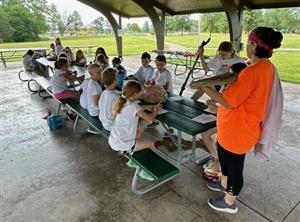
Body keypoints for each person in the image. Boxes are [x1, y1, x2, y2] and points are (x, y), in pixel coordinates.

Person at [198, 27, 283, 214]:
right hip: (234, 129)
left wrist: (203, 86)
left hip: (239, 132)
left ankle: (229, 202)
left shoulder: (252, 72)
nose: (246, 45)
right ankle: (224, 185)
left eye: (248, 41)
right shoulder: (263, 67)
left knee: (235, 169)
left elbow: (228, 102)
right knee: (226, 164)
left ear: (253, 45)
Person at [202, 62, 247, 178]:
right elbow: (222, 98)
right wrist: (214, 102)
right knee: (207, 135)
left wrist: (216, 108)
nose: (228, 77)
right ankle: (217, 159)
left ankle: (221, 170)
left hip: (232, 125)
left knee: (229, 156)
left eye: (232, 75)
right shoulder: (228, 85)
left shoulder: (242, 89)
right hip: (223, 121)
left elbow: (233, 111)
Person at [108, 80, 160, 180]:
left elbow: (136, 108)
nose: (142, 93)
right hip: (122, 143)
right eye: (141, 91)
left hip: (114, 139)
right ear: (135, 93)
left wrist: (151, 106)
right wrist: (156, 111)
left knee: (140, 127)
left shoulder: (122, 100)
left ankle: (133, 159)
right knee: (151, 143)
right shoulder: (133, 106)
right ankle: (148, 171)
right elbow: (150, 119)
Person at [79, 63, 103, 134]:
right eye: (98, 73)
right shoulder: (94, 87)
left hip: (87, 106)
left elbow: (80, 91)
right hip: (95, 113)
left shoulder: (89, 81)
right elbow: (96, 104)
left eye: (101, 71)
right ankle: (95, 127)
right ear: (91, 75)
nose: (101, 73)